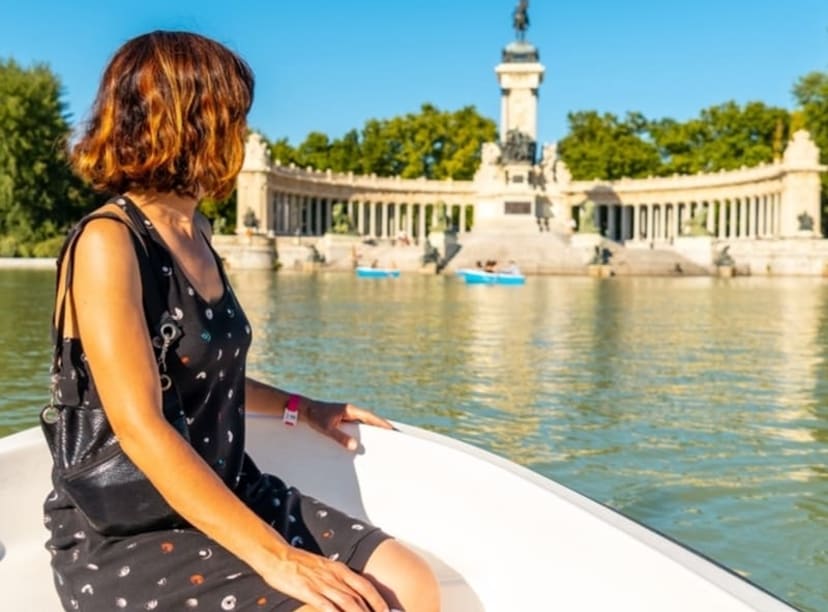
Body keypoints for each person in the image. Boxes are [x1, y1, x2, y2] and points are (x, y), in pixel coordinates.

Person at [44, 31, 439, 612]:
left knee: (412, 583)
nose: (244, 134)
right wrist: (279, 559)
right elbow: (140, 426)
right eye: (233, 117)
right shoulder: (108, 241)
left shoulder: (196, 232)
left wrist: (303, 407)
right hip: (131, 523)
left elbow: (203, 376)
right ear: (188, 121)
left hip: (227, 487)